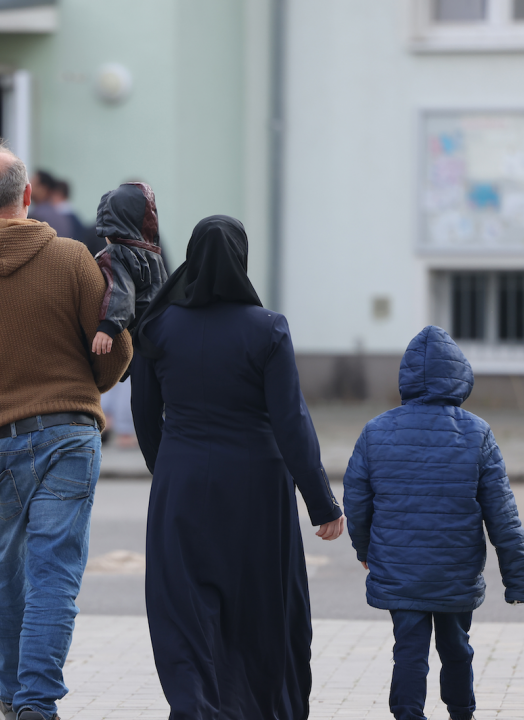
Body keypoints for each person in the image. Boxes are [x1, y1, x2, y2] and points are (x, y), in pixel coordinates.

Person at [0, 139, 132, 720]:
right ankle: (36, 704)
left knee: (5, 573)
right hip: (69, 433)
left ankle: (13, 697)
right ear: (28, 196)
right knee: (54, 574)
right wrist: (91, 381)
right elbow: (115, 350)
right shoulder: (72, 259)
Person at [129, 215, 345, 719]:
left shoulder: (158, 326)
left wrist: (170, 472)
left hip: (181, 480)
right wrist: (321, 503)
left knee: (183, 607)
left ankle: (195, 706)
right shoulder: (267, 329)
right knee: (262, 606)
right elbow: (291, 421)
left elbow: (144, 416)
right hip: (257, 485)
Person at [344, 326, 524, 720]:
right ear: (460, 376)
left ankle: (408, 714)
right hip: (455, 570)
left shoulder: (375, 431)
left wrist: (364, 549)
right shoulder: (477, 433)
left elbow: (356, 501)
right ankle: (462, 713)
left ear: (406, 376)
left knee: (408, 650)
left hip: (400, 569)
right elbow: (503, 514)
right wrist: (518, 580)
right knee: (456, 647)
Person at [88, 182, 169, 356]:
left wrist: (107, 327)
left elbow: (121, 290)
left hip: (128, 338)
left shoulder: (116, 253)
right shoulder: (153, 254)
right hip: (157, 334)